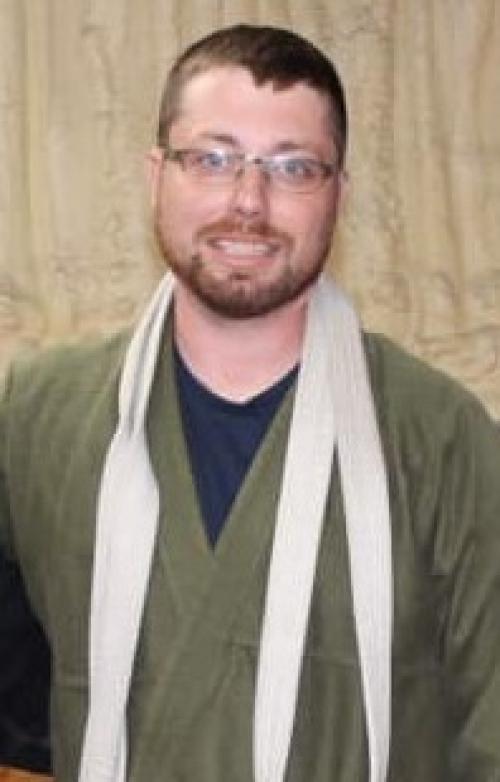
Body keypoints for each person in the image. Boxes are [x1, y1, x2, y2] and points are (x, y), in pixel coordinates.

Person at [1, 22, 500, 782]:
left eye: (293, 167)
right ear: (156, 176)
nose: (248, 201)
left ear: (339, 195)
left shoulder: (441, 438)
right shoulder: (37, 421)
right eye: (212, 158)